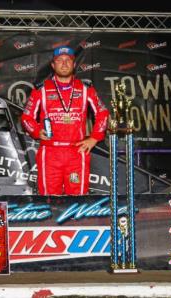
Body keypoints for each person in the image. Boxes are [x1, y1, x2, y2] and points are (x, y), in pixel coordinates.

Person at [21, 46, 109, 195]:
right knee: (48, 198)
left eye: (68, 60)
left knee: (77, 197)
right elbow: (26, 117)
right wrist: (36, 131)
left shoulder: (86, 89)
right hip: (50, 152)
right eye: (59, 60)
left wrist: (94, 138)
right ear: (53, 65)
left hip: (76, 152)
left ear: (74, 65)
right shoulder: (41, 90)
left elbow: (103, 113)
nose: (64, 64)